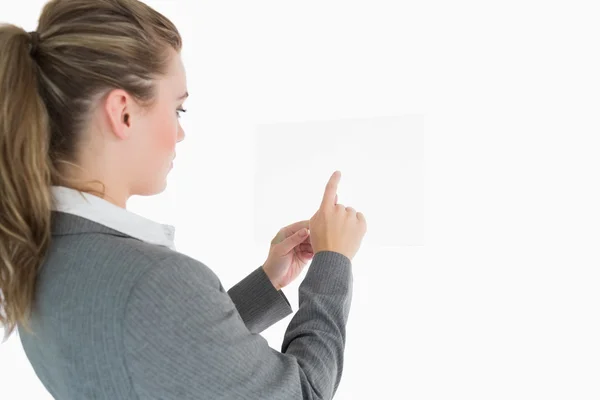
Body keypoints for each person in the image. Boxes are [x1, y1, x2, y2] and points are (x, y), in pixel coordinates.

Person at [0, 0, 367, 399]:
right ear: (123, 113)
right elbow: (305, 393)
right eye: (178, 108)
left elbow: (161, 352)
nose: (180, 134)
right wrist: (333, 264)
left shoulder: (38, 252)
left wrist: (267, 282)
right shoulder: (153, 279)